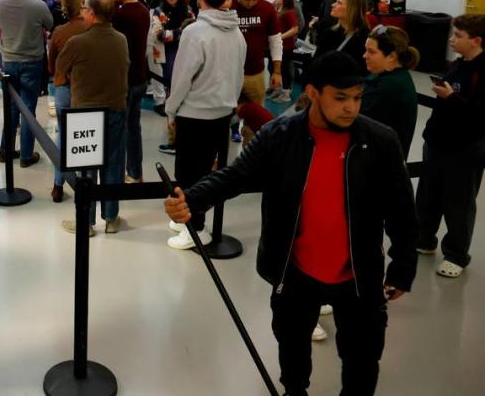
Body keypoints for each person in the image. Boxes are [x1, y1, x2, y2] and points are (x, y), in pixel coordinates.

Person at [165, 50, 418, 396]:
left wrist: (403, 265)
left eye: (357, 98)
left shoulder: (379, 142)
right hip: (294, 273)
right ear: (313, 93)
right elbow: (236, 176)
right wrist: (192, 200)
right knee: (293, 353)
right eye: (340, 98)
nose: (351, 108)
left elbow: (401, 208)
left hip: (358, 276)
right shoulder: (279, 136)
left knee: (361, 362)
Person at [164, 0, 246, 249]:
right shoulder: (237, 33)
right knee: (209, 172)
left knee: (188, 173)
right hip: (223, 112)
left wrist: (171, 109)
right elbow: (238, 74)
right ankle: (189, 221)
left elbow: (183, 76)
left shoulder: (195, 32)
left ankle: (195, 228)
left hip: (195, 113)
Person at [416, 14, 485, 278]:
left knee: (459, 201)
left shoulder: (482, 71)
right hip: (437, 142)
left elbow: (478, 115)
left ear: (476, 40)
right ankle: (424, 239)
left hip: (465, 148)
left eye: (458, 36)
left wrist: (452, 99)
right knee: (428, 193)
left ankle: (456, 254)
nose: (451, 39)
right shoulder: (457, 65)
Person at [55, 0, 129, 235]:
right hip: (116, 110)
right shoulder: (121, 40)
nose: (83, 11)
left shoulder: (77, 43)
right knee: (114, 165)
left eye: (85, 8)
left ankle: (86, 222)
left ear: (92, 14)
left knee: (86, 170)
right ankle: (111, 218)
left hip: (85, 115)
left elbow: (58, 74)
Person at [0, 0, 54, 166]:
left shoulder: (1, 4)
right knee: (28, 108)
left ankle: (6, 149)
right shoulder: (38, 5)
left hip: (9, 60)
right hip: (31, 61)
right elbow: (50, 25)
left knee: (11, 107)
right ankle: (26, 155)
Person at [47, 0, 89, 203]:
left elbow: (51, 65)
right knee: (85, 137)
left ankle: (58, 184)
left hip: (63, 87)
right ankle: (83, 182)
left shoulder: (59, 32)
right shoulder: (90, 29)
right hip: (86, 89)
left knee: (62, 136)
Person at [109, 0, 150, 183]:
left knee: (120, 131)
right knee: (134, 128)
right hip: (140, 77)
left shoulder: (121, 15)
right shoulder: (143, 10)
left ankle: (117, 178)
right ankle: (136, 173)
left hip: (124, 81)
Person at [361, 25, 419, 153]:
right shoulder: (383, 74)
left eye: (371, 52)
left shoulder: (391, 86)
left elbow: (358, 121)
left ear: (391, 56)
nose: (365, 56)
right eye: (366, 50)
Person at [155, 0, 193, 147]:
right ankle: (172, 139)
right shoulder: (159, 11)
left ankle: (184, 136)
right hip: (168, 54)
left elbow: (193, 30)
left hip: (188, 53)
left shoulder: (188, 11)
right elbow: (161, 36)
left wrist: (172, 33)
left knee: (186, 95)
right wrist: (180, 31)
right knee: (172, 95)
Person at [235, 0, 283, 107]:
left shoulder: (267, 8)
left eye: (255, 0)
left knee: (256, 114)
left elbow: (276, 41)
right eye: (247, 0)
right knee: (227, 114)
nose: (250, 4)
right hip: (230, 74)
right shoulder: (229, 7)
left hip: (255, 73)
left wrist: (277, 71)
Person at [314, 0, 370, 74]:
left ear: (352, 9)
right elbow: (317, 61)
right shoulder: (330, 33)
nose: (333, 5)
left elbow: (362, 69)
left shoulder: (365, 37)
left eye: (339, 3)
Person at [270, 0, 300, 103]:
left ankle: (286, 92)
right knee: (276, 68)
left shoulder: (289, 12)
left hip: (285, 47)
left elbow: (295, 29)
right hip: (276, 46)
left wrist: (279, 37)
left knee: (284, 69)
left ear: (285, 0)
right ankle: (279, 88)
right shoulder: (277, 10)